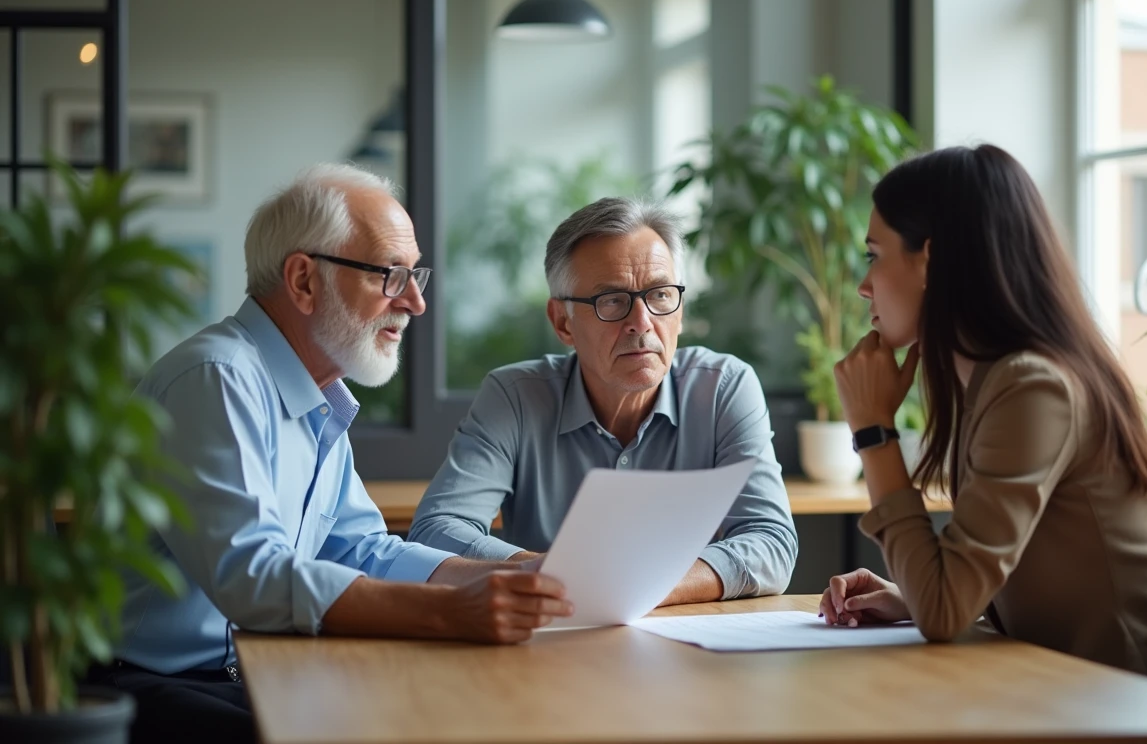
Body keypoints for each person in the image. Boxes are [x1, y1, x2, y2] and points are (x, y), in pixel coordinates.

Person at [91, 164, 573, 744]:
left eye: (415, 275)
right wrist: (453, 612)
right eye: (392, 276)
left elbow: (359, 548)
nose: (416, 303)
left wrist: (514, 571)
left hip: (253, 669)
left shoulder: (317, 392)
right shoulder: (216, 378)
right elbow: (256, 580)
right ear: (303, 280)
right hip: (153, 689)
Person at [817, 144, 1147, 678]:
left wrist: (873, 431)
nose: (862, 286)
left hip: (1135, 704)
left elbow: (944, 613)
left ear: (930, 261)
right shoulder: (1000, 379)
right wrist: (913, 595)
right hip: (1072, 689)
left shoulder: (1033, 386)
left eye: (874, 255)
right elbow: (970, 590)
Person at [409, 197, 798, 604]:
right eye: (611, 301)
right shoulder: (515, 397)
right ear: (563, 322)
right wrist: (547, 576)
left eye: (661, 295)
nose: (642, 322)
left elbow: (770, 542)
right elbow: (437, 529)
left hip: (683, 644)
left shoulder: (722, 388)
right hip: (550, 643)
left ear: (680, 312)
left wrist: (635, 588)